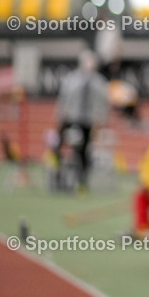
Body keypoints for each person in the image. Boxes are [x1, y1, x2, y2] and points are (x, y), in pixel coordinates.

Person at [54, 50, 110, 192]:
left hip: (88, 122)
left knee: (84, 152)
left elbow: (103, 104)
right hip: (71, 119)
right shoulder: (71, 79)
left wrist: (100, 121)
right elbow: (63, 100)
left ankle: (82, 181)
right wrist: (60, 117)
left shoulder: (99, 82)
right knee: (58, 145)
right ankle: (58, 176)